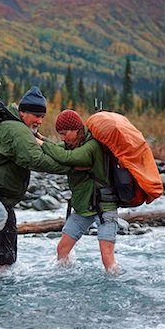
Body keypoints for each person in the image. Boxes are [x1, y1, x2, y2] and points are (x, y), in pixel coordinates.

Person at [0, 87, 69, 274]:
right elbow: (35, 159)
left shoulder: (20, 128)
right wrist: (70, 167)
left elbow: (41, 148)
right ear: (22, 112)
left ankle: (2, 289)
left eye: (42, 116)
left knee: (6, 251)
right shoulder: (16, 130)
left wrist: (69, 156)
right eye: (35, 115)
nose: (40, 120)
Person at [36, 109, 119, 273]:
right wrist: (41, 138)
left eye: (65, 133)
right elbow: (57, 149)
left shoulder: (92, 146)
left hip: (104, 207)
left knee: (107, 259)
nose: (62, 138)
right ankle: (65, 280)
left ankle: (117, 285)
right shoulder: (74, 144)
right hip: (83, 207)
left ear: (76, 129)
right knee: (62, 250)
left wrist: (42, 144)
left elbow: (67, 157)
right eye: (60, 134)